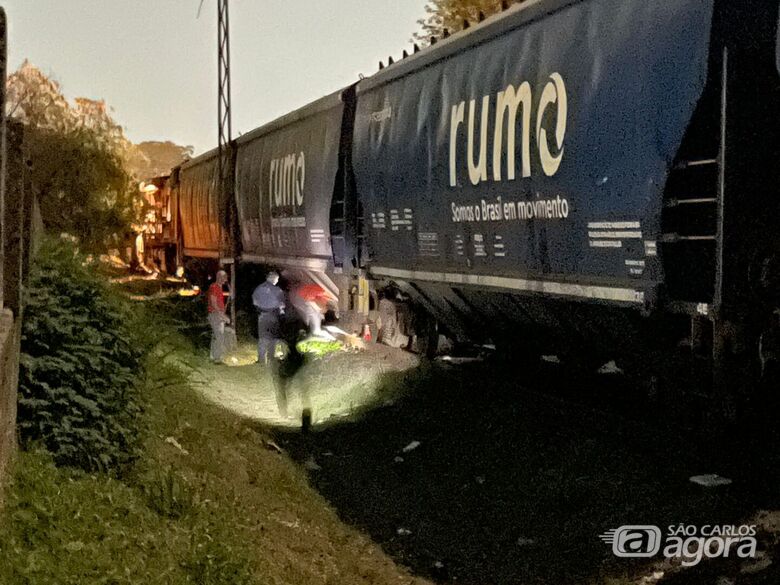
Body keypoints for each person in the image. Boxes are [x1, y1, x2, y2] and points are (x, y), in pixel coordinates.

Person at [252, 271, 285, 365]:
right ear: (274, 279)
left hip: (262, 315)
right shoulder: (278, 290)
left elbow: (255, 302)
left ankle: (261, 360)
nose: (277, 281)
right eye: (277, 279)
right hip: (273, 315)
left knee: (263, 337)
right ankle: (271, 358)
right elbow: (282, 304)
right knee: (272, 337)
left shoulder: (258, 289)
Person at [207, 270, 229, 363]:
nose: (226, 280)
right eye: (224, 277)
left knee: (215, 336)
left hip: (217, 314)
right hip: (215, 315)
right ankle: (217, 358)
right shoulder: (214, 287)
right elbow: (213, 303)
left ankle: (213, 356)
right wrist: (223, 316)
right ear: (219, 277)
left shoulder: (218, 288)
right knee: (219, 336)